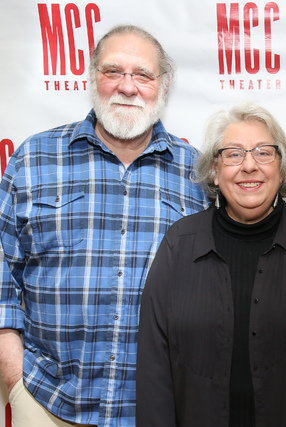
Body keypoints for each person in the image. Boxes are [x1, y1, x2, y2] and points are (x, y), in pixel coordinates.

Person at [0, 25, 207, 427]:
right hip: (46, 402)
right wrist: (13, 379)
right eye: (113, 71)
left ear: (163, 86)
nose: (127, 87)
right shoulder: (34, 158)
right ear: (93, 77)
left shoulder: (196, 173)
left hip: (157, 409)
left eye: (143, 75)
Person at [136, 102, 286, 427]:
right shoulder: (179, 244)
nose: (249, 166)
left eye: (263, 153)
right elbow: (153, 367)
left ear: (282, 168)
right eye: (233, 154)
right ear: (215, 172)